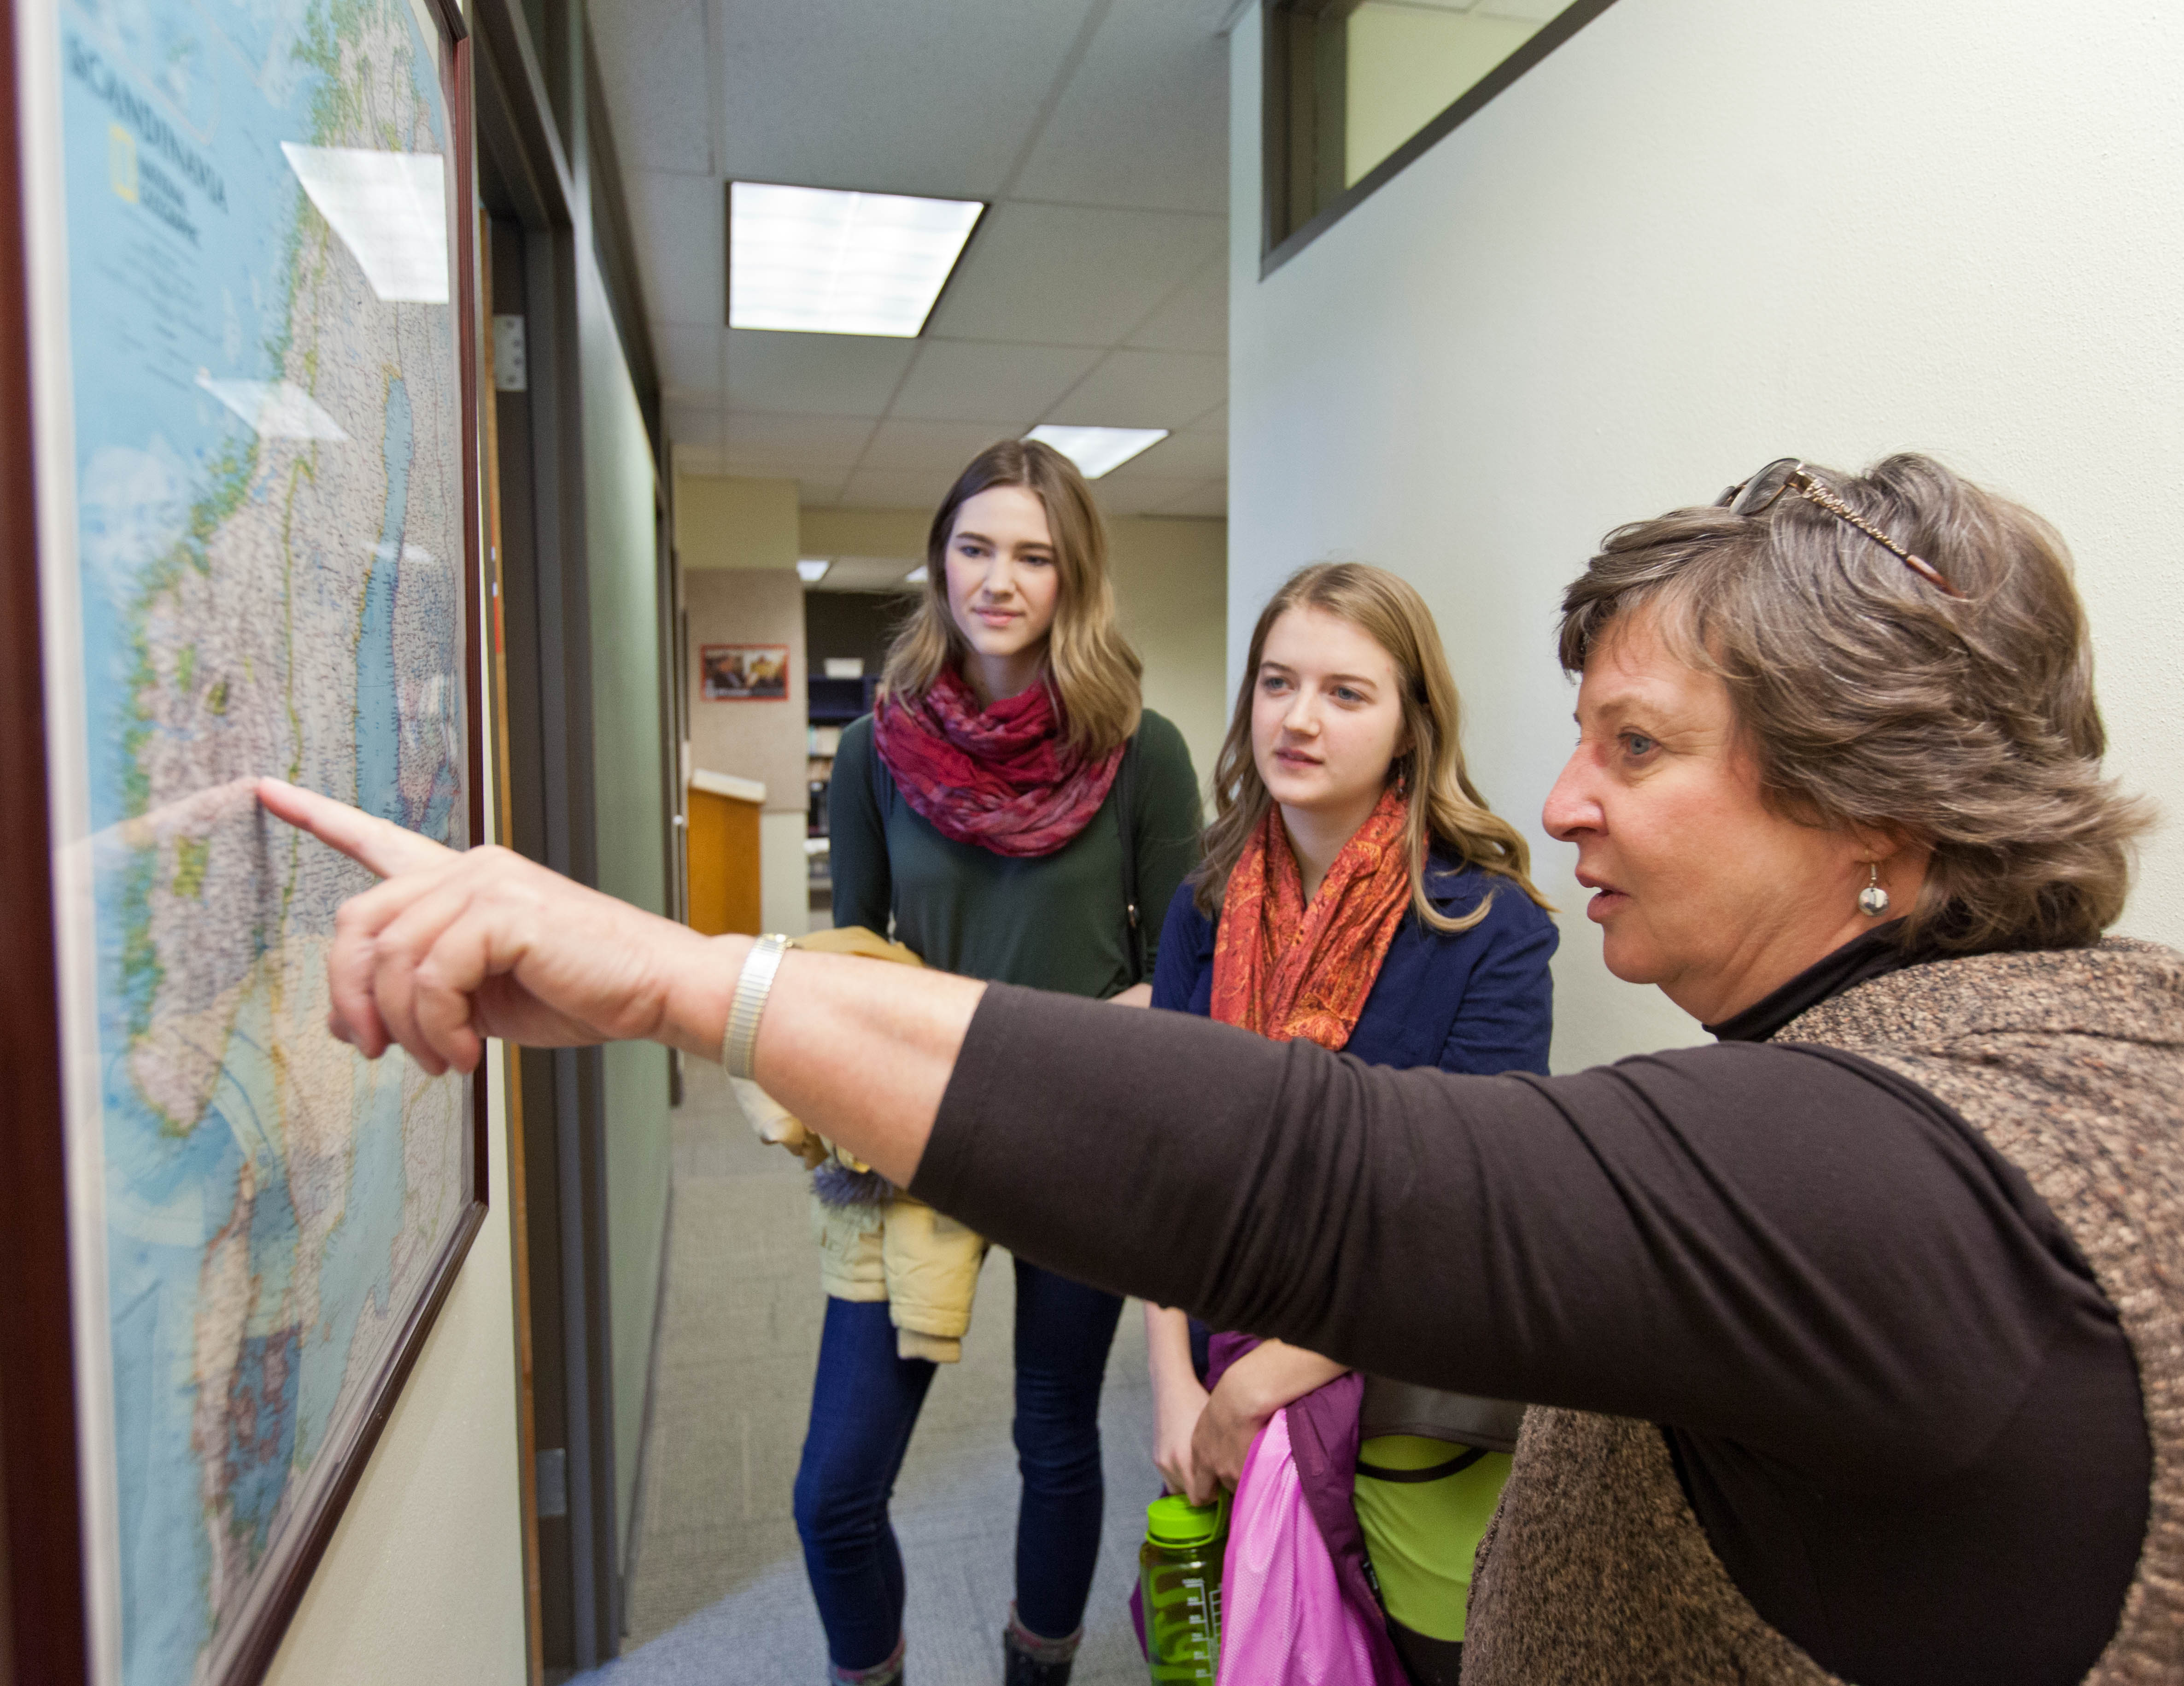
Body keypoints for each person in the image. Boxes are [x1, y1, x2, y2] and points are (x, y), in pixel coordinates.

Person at [260, 453, 2182, 1686]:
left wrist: (687, 980)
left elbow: (1313, 1167)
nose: (1572, 797)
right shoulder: (2015, 1033)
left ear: (1886, 808)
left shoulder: (1904, 1173)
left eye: (1640, 748)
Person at [796, 438, 1200, 1686]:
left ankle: (1040, 1668)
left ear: (1071, 576)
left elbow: (1180, 972)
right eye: (975, 546)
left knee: (1053, 1436)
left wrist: (1076, 1039)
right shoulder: (875, 753)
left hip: (1079, 1125)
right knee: (835, 1491)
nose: (999, 578)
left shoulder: (1141, 751)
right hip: (914, 1121)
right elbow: (858, 950)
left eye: (1032, 553)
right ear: (940, 561)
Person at [1143, 562, 1555, 1685]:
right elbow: (1162, 1165)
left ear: (1413, 727)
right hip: (1218, 1348)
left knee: (1406, 1655)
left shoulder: (1488, 925)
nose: (1298, 718)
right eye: (1277, 684)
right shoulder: (1206, 901)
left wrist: (1259, 1385)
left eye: (1345, 692)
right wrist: (1175, 1381)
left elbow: (1464, 1213)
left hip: (1400, 1387)